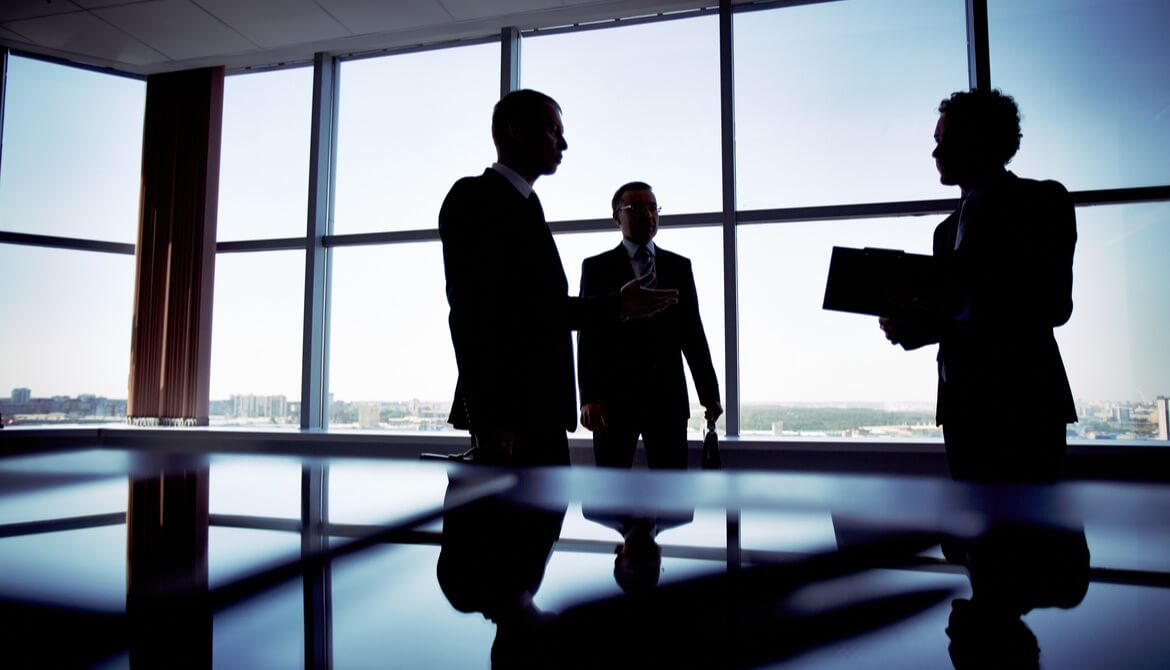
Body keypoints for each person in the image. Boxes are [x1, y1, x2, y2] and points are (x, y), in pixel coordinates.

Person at [439, 90, 678, 466]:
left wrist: (617, 305)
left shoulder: (527, 204)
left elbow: (538, 310)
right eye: (553, 131)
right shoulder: (474, 198)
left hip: (537, 410)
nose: (563, 143)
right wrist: (489, 423)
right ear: (517, 130)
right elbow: (472, 317)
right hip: (509, 420)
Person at [878, 89, 1077, 483]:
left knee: (1035, 538)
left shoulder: (1042, 202)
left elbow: (1054, 305)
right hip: (962, 411)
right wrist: (913, 329)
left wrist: (945, 313)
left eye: (945, 141)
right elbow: (957, 314)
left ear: (980, 140)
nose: (935, 154)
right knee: (980, 538)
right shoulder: (946, 231)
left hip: (1024, 406)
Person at [577, 182, 722, 469]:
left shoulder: (679, 266)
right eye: (637, 208)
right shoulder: (596, 267)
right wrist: (589, 397)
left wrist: (710, 394)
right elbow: (588, 335)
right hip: (612, 402)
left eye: (653, 207)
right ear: (617, 216)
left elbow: (692, 332)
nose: (649, 215)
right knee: (611, 495)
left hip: (667, 399)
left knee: (672, 496)